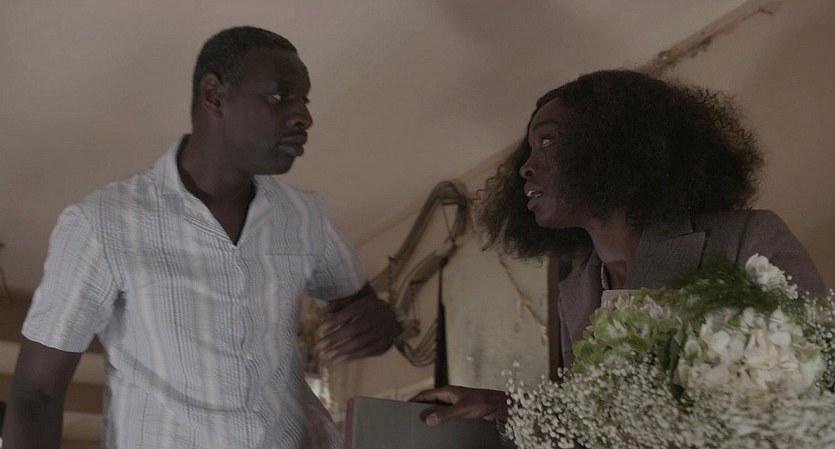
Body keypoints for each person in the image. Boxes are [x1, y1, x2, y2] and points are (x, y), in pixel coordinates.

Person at [2, 26, 400, 449]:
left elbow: (358, 305)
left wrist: (380, 322)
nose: (304, 117)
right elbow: (37, 393)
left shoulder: (305, 216)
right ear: (214, 96)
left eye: (305, 100)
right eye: (280, 96)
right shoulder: (102, 223)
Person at [411, 69, 826, 426]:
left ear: (617, 145)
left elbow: (820, 381)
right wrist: (507, 407)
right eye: (531, 149)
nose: (525, 166)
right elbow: (596, 421)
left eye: (548, 141)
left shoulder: (746, 237)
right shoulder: (574, 293)